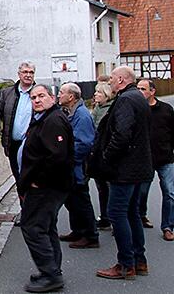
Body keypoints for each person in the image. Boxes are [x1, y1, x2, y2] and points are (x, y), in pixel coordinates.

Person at [95, 66, 154, 280]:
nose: (109, 82)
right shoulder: (138, 97)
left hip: (125, 169)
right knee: (132, 214)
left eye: (111, 78)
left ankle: (125, 264)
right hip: (139, 167)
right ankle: (139, 261)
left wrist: (106, 157)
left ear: (120, 79)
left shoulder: (126, 100)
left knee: (117, 213)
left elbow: (121, 134)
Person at [17, 84, 73, 293]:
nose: (37, 100)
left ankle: (50, 274)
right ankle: (52, 269)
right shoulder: (44, 118)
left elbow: (57, 157)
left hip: (47, 187)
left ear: (52, 97)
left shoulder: (53, 120)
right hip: (47, 186)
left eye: (41, 96)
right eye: (33, 98)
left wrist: (38, 181)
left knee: (32, 227)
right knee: (46, 227)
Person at [57, 83, 99, 248]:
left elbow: (84, 143)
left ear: (71, 97)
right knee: (72, 200)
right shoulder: (71, 112)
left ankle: (90, 235)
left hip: (77, 167)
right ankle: (78, 230)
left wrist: (69, 159)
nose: (58, 95)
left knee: (81, 200)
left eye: (61, 92)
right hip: (72, 166)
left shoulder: (81, 115)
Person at [136, 79, 174, 241]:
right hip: (145, 159)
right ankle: (141, 215)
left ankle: (168, 226)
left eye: (143, 89)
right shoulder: (137, 110)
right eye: (138, 88)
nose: (139, 92)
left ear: (152, 91)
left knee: (170, 192)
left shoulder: (166, 109)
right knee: (142, 191)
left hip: (165, 157)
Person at [0, 62, 36, 184]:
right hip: (13, 144)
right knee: (18, 178)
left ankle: (29, 202)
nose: (28, 75)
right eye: (25, 72)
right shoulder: (7, 93)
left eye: (31, 72)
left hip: (32, 144)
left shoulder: (39, 93)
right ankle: (23, 201)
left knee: (31, 178)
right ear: (19, 74)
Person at [91, 82, 114, 230]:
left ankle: (113, 219)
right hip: (97, 153)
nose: (95, 95)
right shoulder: (97, 108)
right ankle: (105, 217)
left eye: (98, 92)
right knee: (101, 188)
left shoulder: (110, 109)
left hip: (106, 153)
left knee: (110, 188)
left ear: (106, 94)